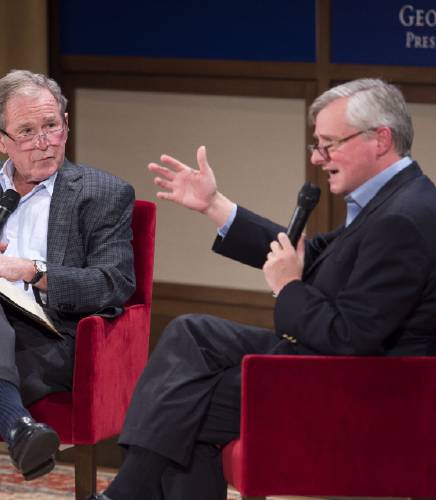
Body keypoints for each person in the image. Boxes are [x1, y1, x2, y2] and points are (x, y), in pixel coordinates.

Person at [92, 78, 436, 500]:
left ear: (380, 139)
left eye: (329, 144)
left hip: (366, 389)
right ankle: (130, 490)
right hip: (326, 362)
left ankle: (127, 491)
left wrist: (288, 286)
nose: (316, 157)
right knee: (190, 333)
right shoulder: (389, 201)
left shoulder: (402, 219)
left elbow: (350, 338)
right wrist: (214, 205)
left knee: (184, 400)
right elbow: (304, 255)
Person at [0, 69, 135, 499]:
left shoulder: (102, 193)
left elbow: (113, 283)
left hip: (43, 341)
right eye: (27, 131)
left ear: (66, 123)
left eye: (52, 126)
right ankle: (19, 426)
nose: (44, 142)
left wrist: (29, 270)